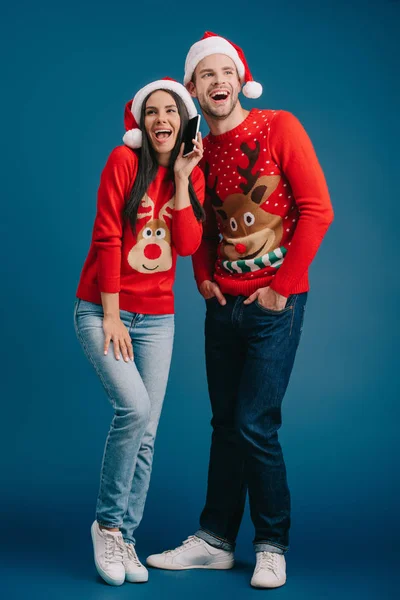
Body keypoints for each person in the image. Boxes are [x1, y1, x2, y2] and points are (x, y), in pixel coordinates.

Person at [146, 33, 334, 589]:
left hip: (276, 304)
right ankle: (215, 540)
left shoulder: (279, 127)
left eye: (225, 72)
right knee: (225, 424)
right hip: (223, 305)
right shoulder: (196, 150)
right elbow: (201, 225)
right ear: (193, 90)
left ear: (240, 80)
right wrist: (203, 276)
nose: (218, 82)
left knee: (256, 424)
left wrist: (284, 287)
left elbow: (316, 209)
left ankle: (272, 542)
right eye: (206, 76)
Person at [74, 77, 205, 586]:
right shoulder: (122, 163)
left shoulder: (185, 175)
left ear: (183, 119)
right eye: (152, 111)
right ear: (141, 123)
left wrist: (183, 179)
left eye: (170, 110)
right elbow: (107, 236)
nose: (161, 119)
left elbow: (190, 244)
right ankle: (106, 526)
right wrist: (110, 316)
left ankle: (128, 537)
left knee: (147, 432)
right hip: (102, 309)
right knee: (134, 409)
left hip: (158, 318)